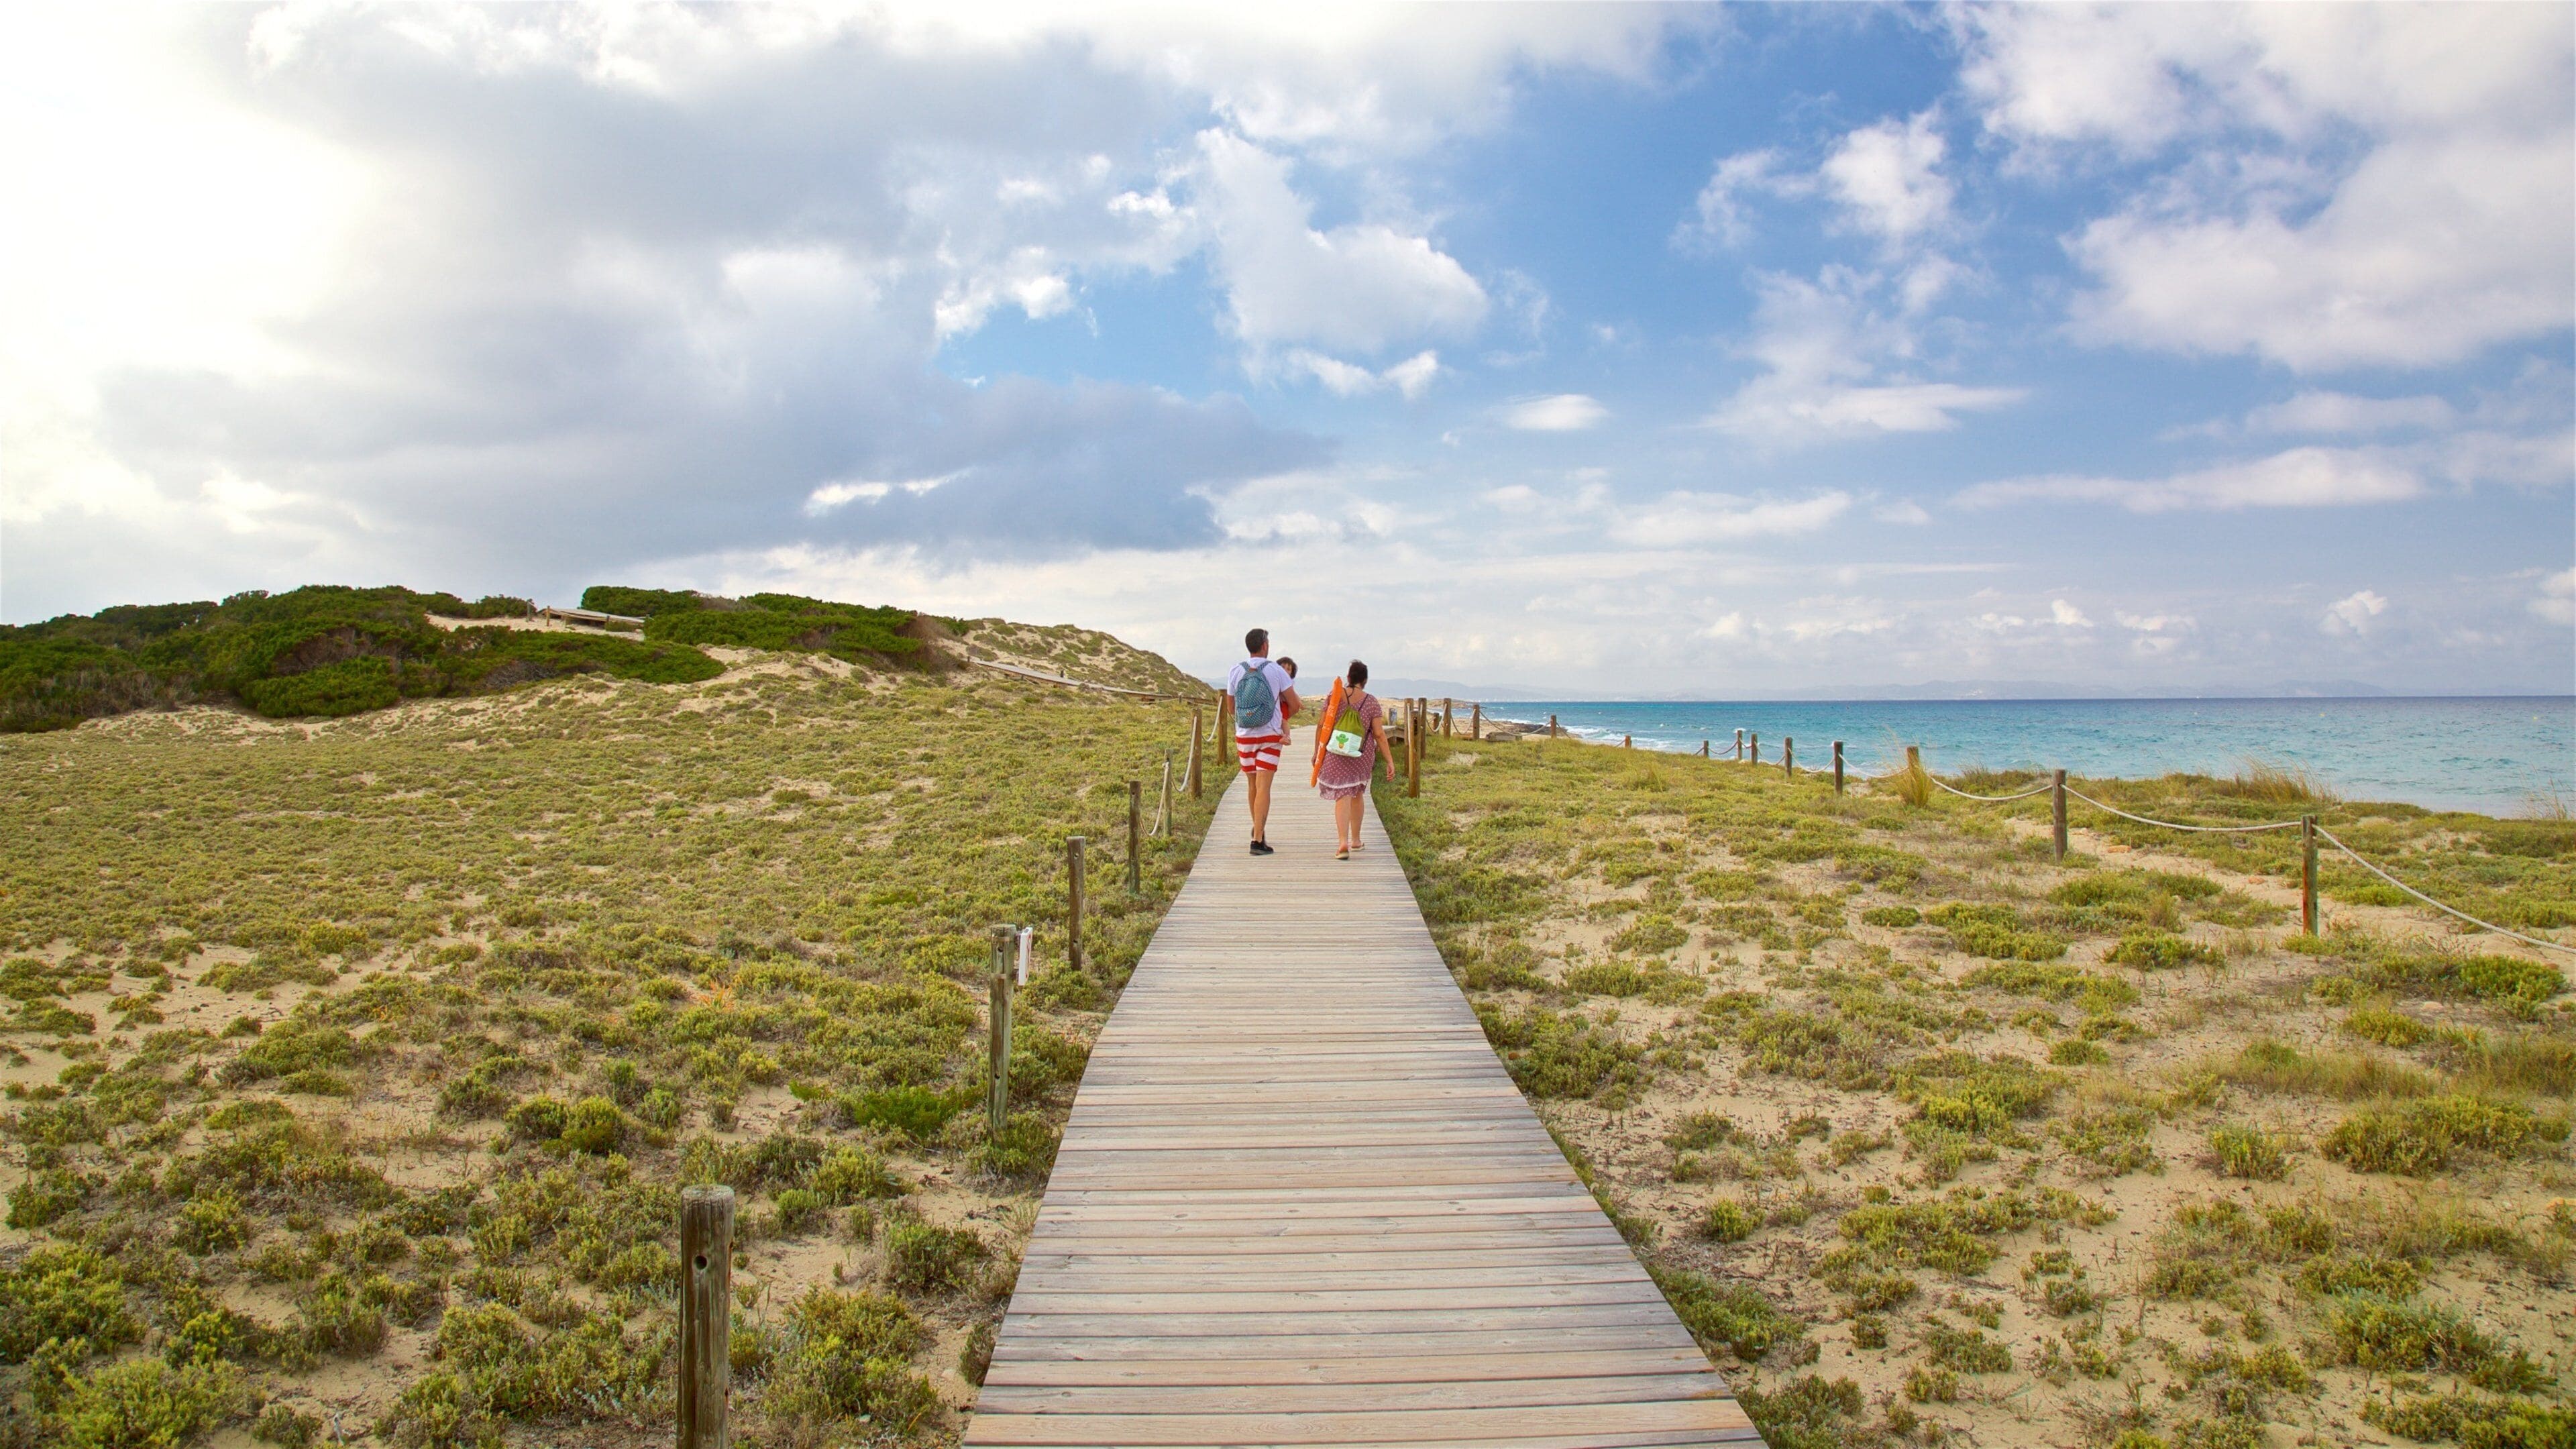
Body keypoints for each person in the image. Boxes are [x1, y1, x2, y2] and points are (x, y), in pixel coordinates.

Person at [1224, 629, 1299, 855]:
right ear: (1265, 645)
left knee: (1252, 785)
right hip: (1270, 735)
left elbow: (1231, 708)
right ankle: (1257, 840)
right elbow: (1294, 704)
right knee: (1264, 787)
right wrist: (1280, 719)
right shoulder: (1277, 671)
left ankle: (1259, 829)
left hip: (1244, 735)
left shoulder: (1235, 671)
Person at [1310, 659, 1394, 859]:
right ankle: (1356, 840)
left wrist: (1317, 752)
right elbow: (1379, 734)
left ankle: (1343, 843)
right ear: (1365, 680)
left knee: (1342, 796)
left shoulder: (1334, 695)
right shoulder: (1371, 701)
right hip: (1360, 757)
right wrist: (1390, 760)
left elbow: (1322, 725)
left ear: (1348, 677)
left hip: (1334, 755)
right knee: (1356, 794)